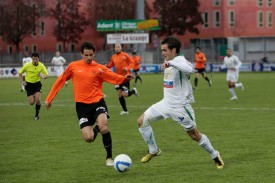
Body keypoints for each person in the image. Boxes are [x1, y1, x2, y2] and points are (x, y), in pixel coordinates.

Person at [137, 36, 224, 169]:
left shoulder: (180, 60)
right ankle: (153, 150)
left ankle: (214, 154)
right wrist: (169, 63)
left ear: (174, 50)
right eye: (162, 50)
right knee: (141, 121)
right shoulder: (169, 62)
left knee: (194, 135)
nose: (162, 53)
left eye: (165, 50)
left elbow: (191, 69)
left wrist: (171, 63)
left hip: (180, 107)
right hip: (165, 104)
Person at [45, 42, 134, 166]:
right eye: (86, 55)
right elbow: (61, 80)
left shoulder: (99, 68)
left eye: (91, 55)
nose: (88, 57)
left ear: (94, 54)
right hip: (82, 107)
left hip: (98, 102)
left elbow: (112, 77)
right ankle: (95, 128)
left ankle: (109, 157)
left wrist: (124, 78)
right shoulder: (73, 66)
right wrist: (49, 99)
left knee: (104, 127)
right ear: (81, 54)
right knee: (89, 138)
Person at [106, 43, 138, 115]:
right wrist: (106, 66)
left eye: (118, 47)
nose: (117, 48)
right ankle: (125, 111)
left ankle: (133, 91)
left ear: (121, 48)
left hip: (125, 77)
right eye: (115, 47)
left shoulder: (125, 55)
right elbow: (110, 65)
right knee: (119, 94)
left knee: (125, 95)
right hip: (117, 78)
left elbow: (132, 62)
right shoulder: (113, 56)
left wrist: (127, 68)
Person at [19, 52, 48, 120]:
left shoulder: (41, 66)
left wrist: (42, 76)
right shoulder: (27, 65)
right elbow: (20, 73)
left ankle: (36, 115)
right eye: (33, 59)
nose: (35, 60)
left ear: (38, 59)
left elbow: (46, 75)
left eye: (36, 59)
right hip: (28, 85)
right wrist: (22, 81)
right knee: (31, 103)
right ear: (32, 59)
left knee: (38, 100)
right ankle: (32, 94)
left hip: (37, 84)